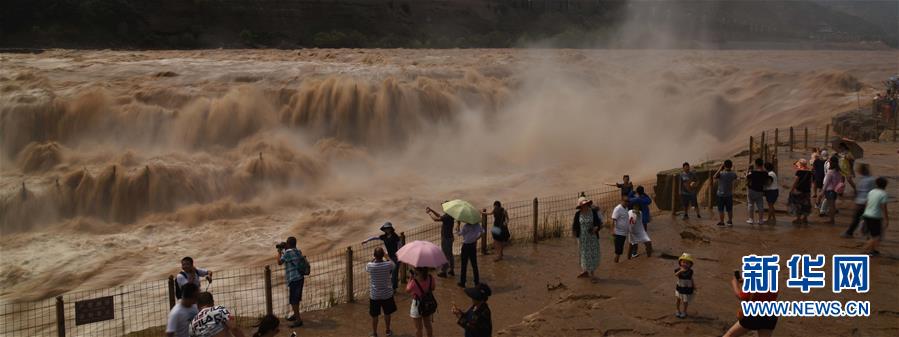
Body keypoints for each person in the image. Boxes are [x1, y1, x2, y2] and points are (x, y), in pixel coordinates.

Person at [366, 248, 396, 337]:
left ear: (374, 256)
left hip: (375, 295)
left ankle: (374, 333)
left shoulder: (370, 266)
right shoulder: (388, 264)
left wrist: (373, 259)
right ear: (382, 255)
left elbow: (367, 268)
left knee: (374, 315)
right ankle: (387, 331)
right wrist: (387, 257)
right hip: (387, 294)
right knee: (387, 313)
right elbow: (394, 265)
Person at [363, 222, 402, 290]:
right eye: (385, 229)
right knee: (387, 273)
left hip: (395, 257)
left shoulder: (395, 236)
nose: (386, 230)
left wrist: (399, 254)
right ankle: (387, 286)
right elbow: (375, 238)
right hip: (388, 257)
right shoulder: (384, 237)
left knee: (394, 274)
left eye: (388, 228)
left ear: (391, 229)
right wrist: (366, 240)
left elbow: (400, 245)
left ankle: (394, 288)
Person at [277, 236, 305, 328]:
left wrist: (279, 252)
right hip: (300, 277)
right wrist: (285, 248)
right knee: (296, 299)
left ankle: (298, 321)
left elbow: (279, 262)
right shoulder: (298, 251)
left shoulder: (288, 253)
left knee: (293, 300)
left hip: (294, 279)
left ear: (288, 244)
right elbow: (291, 257)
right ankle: (295, 315)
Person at [572, 196, 601, 282]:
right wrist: (575, 237)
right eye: (584, 204)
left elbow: (598, 224)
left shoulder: (593, 212)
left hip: (592, 237)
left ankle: (592, 275)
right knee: (583, 255)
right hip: (582, 237)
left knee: (591, 254)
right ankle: (585, 271)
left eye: (586, 204)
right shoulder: (578, 214)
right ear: (580, 206)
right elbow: (575, 226)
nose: (585, 205)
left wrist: (595, 229)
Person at [843, 163, 875, 238]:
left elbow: (857, 190)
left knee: (856, 219)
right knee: (868, 219)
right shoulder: (871, 179)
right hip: (867, 202)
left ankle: (849, 232)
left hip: (859, 202)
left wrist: (853, 197)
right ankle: (868, 235)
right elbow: (873, 191)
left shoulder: (861, 179)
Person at [862, 178, 890, 256]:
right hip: (875, 217)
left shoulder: (871, 192)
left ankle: (872, 250)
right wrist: (887, 219)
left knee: (872, 234)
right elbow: (884, 208)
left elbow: (866, 203)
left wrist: (863, 215)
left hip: (867, 215)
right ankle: (865, 250)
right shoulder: (883, 194)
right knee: (876, 236)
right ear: (885, 185)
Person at [426, 204, 455, 278]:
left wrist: (429, 213)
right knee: (450, 254)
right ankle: (451, 269)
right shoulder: (450, 215)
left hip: (446, 238)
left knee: (444, 255)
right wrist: (432, 210)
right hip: (450, 237)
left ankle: (444, 271)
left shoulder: (447, 216)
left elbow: (436, 219)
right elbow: (439, 216)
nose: (443, 208)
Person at [405, 267, 436, 337]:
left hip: (417, 304)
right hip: (427, 304)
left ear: (417, 271)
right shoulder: (430, 278)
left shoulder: (414, 281)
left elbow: (407, 290)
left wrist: (410, 279)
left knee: (418, 328)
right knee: (428, 325)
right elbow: (433, 288)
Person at [457, 221, 484, 288]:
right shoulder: (477, 225)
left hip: (466, 246)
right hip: (473, 245)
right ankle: (476, 282)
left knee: (464, 264)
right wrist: (476, 238)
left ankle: (463, 282)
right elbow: (483, 232)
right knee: (474, 264)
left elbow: (459, 234)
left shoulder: (466, 226)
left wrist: (458, 225)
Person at [788, 159, 814, 225]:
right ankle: (805, 218)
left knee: (798, 204)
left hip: (799, 190)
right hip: (807, 190)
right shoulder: (809, 172)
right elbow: (810, 182)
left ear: (801, 164)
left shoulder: (799, 172)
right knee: (806, 204)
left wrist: (792, 190)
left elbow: (796, 181)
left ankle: (798, 219)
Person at [714, 160, 738, 227]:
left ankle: (722, 222)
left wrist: (720, 169)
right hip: (729, 194)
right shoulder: (733, 174)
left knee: (721, 209)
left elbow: (714, 176)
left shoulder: (721, 174)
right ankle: (730, 221)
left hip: (720, 194)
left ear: (724, 166)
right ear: (731, 166)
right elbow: (736, 177)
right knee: (729, 209)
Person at [821, 156, 843, 225]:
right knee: (832, 206)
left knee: (831, 206)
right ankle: (832, 220)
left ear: (832, 162)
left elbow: (826, 183)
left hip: (829, 191)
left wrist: (822, 192)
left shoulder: (830, 172)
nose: (829, 162)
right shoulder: (838, 172)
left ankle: (831, 220)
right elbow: (840, 181)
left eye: (830, 161)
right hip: (835, 191)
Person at [746, 158, 768, 225]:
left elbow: (747, 177)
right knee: (760, 206)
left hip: (751, 190)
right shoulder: (765, 173)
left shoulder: (753, 172)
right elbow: (766, 181)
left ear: (756, 164)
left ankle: (751, 219)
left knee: (750, 205)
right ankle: (760, 220)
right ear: (762, 164)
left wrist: (748, 170)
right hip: (760, 191)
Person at [674, 253, 695, 319]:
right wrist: (680, 271)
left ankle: (684, 311)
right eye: (683, 262)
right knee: (678, 299)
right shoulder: (678, 269)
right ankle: (677, 310)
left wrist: (694, 285)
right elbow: (676, 275)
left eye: (687, 263)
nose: (685, 264)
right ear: (680, 262)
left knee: (685, 300)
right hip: (680, 286)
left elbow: (690, 278)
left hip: (687, 287)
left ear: (690, 264)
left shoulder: (690, 271)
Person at [611, 197, 629, 263]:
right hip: (618, 233)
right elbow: (613, 220)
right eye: (625, 201)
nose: (627, 202)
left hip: (624, 233)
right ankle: (616, 263)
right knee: (618, 251)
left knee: (620, 250)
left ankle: (617, 264)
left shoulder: (626, 208)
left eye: (628, 201)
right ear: (622, 201)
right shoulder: (618, 209)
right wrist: (613, 230)